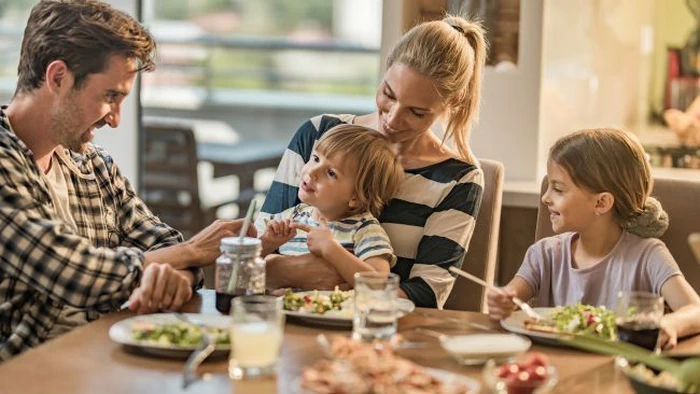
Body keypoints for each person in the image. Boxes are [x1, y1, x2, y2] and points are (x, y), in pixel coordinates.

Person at [0, 0, 251, 361]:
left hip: (102, 356)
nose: (115, 120)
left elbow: (162, 241)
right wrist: (193, 251)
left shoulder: (94, 163)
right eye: (110, 96)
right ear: (58, 77)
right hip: (24, 370)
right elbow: (71, 271)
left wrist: (173, 276)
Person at [260, 15, 487, 308]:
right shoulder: (319, 135)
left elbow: (426, 296)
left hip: (381, 333)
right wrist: (301, 272)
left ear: (452, 103)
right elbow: (249, 258)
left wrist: (294, 276)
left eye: (416, 112)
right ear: (386, 68)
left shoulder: (458, 179)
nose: (392, 119)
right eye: (388, 94)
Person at [487, 128, 700, 349]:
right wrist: (501, 302)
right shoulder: (544, 254)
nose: (545, 198)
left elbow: (695, 310)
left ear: (601, 203)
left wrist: (670, 325)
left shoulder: (648, 255)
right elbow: (510, 297)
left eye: (558, 189)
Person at [259, 124, 403, 285]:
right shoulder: (290, 217)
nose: (312, 172)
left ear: (355, 197)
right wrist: (267, 244)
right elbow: (245, 269)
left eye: (331, 173)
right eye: (315, 159)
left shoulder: (364, 230)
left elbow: (379, 285)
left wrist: (331, 249)